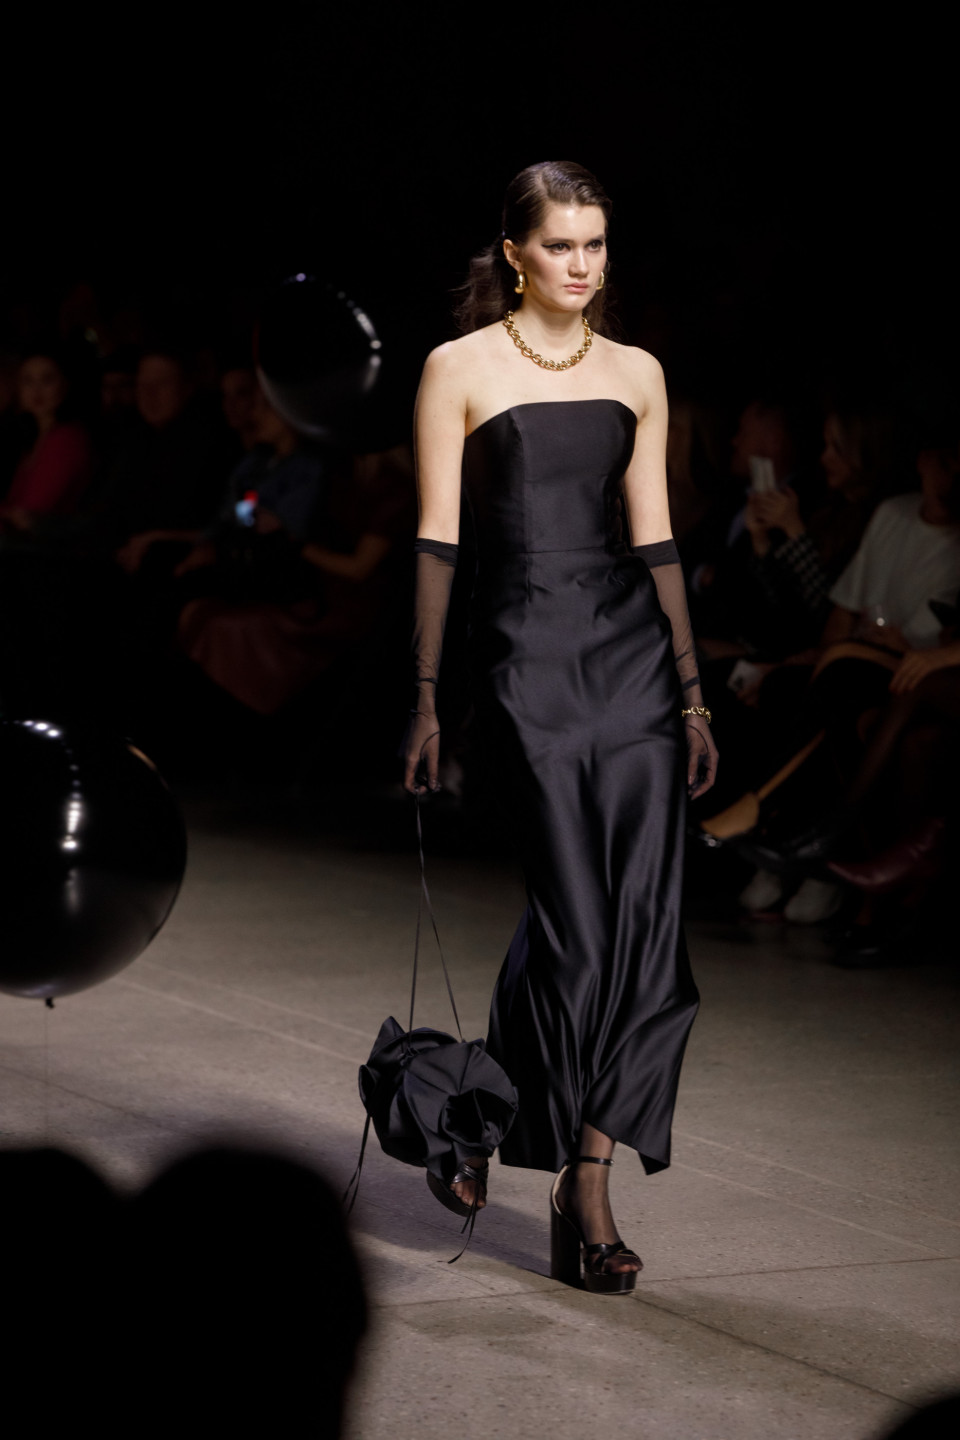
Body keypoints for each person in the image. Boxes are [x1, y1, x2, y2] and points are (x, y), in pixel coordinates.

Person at [403, 160, 717, 1294]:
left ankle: (587, 1184)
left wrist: (691, 690)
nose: (582, 264)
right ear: (515, 252)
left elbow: (657, 538)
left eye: (595, 244)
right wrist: (427, 694)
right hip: (524, 657)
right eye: (560, 244)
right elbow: (438, 541)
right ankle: (469, 1107)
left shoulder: (638, 372)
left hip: (631, 656)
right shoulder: (458, 368)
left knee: (647, 934)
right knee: (578, 930)